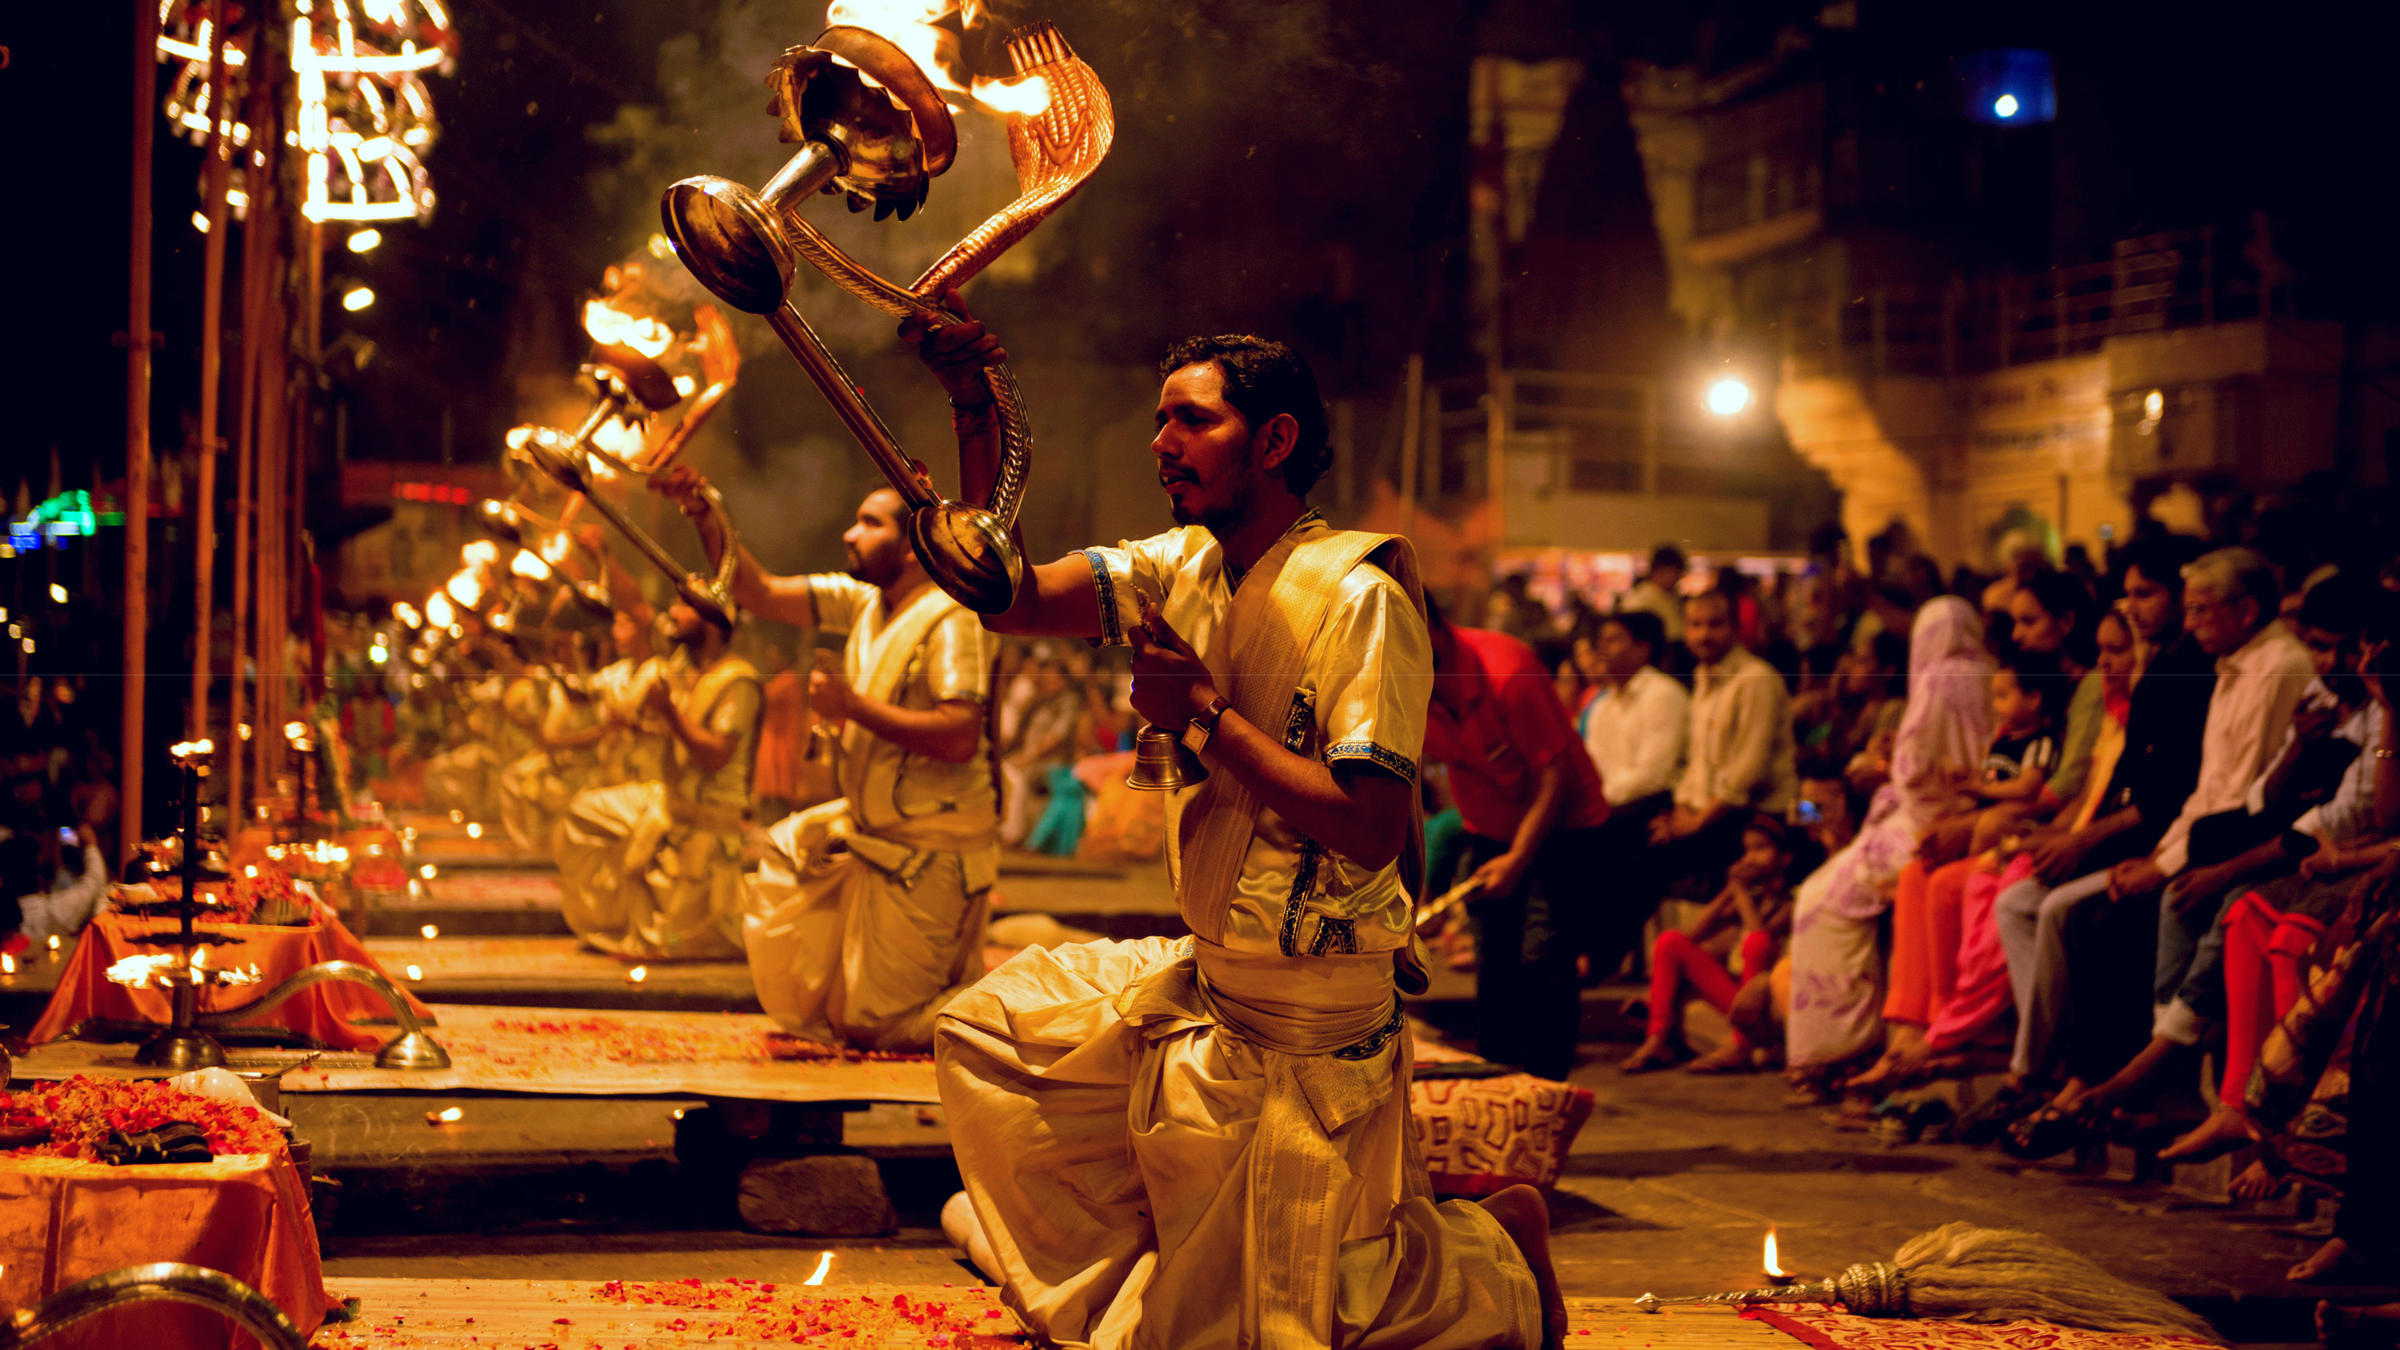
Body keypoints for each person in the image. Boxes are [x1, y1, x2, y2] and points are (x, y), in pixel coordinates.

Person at [910, 308, 1561, 1350]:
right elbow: (1011, 597)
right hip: (1215, 981)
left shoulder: (1363, 597)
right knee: (987, 1034)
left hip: (1311, 1009)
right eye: (1160, 421)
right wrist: (972, 406)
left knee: (1293, 1329)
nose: (1160, 444)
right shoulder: (1178, 567)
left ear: (1275, 441)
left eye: (1191, 421)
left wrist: (1205, 718)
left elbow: (1368, 822)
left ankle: (1493, 1253)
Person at [652, 470, 1000, 1052]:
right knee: (831, 981)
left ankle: (1010, 1009)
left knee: (876, 1025)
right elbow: (755, 592)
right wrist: (704, 512)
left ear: (915, 548)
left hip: (934, 849)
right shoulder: (864, 602)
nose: (849, 534)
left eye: (870, 524)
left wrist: (852, 706)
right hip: (876, 835)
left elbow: (961, 735)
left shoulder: (953, 615)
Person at [1998, 547, 2315, 1153]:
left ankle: (2149, 1081)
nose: (2192, 622)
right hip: (2202, 833)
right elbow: (2206, 792)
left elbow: (2242, 796)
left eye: (2201, 609)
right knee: (2096, 912)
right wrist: (2160, 861)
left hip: (2248, 839)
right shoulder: (2228, 665)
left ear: (2245, 609)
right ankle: (2101, 1077)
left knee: (2127, 918)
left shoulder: (2276, 667)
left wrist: (2165, 864)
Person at [1784, 596, 1994, 1089]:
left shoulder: (1936, 683)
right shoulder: (1985, 674)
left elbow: (1915, 771)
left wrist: (1882, 769)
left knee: (1822, 897)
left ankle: (1838, 1046)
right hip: (1946, 812)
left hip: (1926, 820)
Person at [1422, 599, 1612, 1079]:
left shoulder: (1506, 671)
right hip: (1490, 828)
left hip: (1564, 825)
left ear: (1433, 629)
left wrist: (1519, 859)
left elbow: (1555, 776)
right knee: (1495, 962)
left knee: (1543, 959)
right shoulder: (1401, 678)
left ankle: (1546, 1094)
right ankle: (1498, 1089)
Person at [554, 599, 762, 959]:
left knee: (670, 942)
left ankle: (645, 921)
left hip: (705, 816)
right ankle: (614, 918)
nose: (673, 614)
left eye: (685, 609)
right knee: (583, 813)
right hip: (666, 800)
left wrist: (668, 712)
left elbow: (715, 756)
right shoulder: (685, 671)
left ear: (713, 625)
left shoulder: (737, 680)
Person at [1638, 590, 1798, 932]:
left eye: (1715, 624)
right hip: (1719, 811)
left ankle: (1666, 963)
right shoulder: (1704, 676)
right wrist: (1681, 809)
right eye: (1695, 625)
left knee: (1647, 856)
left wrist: (1695, 823)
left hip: (1759, 813)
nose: (1703, 635)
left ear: (1737, 628)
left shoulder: (1756, 679)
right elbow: (1698, 763)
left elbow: (1748, 771)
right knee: (1640, 838)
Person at [1622, 814, 1794, 1073]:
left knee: (1757, 942)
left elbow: (1760, 934)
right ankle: (1656, 1038)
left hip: (1766, 1004)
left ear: (1785, 858)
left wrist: (1740, 893)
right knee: (1670, 941)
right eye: (1747, 850)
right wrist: (1729, 890)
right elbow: (1693, 936)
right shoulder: (1749, 899)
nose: (1750, 858)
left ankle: (1742, 1046)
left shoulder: (1792, 902)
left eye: (1760, 848)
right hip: (1737, 1001)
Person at [1622, 544, 1688, 643]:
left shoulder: (1671, 597)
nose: (1679, 579)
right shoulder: (1640, 601)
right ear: (1661, 570)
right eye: (1676, 573)